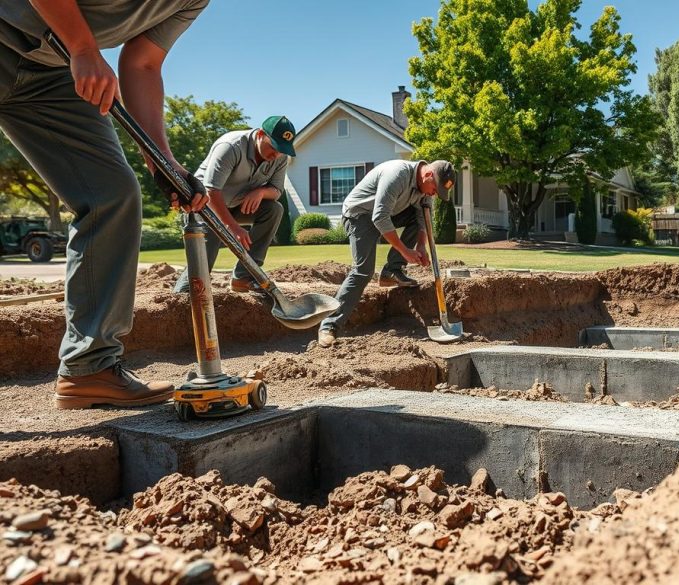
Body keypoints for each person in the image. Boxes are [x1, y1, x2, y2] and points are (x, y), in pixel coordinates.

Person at [0, 1, 210, 408]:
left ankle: (89, 365)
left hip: (50, 72)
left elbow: (143, 64)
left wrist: (161, 161)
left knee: (111, 195)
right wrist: (82, 47)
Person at [317, 159, 456, 347]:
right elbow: (379, 217)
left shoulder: (425, 187)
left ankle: (392, 271)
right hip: (360, 215)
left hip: (386, 213)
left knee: (419, 216)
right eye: (435, 189)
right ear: (428, 175)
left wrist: (421, 246)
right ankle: (329, 325)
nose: (434, 194)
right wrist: (405, 250)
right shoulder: (397, 175)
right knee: (362, 271)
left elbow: (423, 218)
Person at [172, 115, 294, 294]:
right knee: (203, 263)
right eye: (273, 147)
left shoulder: (280, 157)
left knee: (274, 210)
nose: (276, 154)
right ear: (260, 135)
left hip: (237, 204)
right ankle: (179, 301)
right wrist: (233, 228)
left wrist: (260, 192)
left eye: (282, 150)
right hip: (203, 206)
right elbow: (211, 191)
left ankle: (243, 277)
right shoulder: (230, 147)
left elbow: (276, 190)